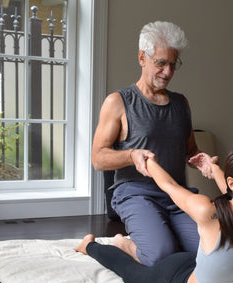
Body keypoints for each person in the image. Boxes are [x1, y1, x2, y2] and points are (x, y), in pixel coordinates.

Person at [76, 146, 233, 283]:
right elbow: (170, 186)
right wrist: (148, 162)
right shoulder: (209, 213)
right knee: (129, 271)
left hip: (193, 265)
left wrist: (213, 169)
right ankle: (91, 246)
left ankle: (125, 243)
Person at [91, 20, 216, 266]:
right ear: (142, 58)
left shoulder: (181, 103)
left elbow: (190, 151)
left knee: (208, 255)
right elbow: (98, 159)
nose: (168, 72)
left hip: (177, 195)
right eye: (160, 63)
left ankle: (167, 235)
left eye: (173, 64)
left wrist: (200, 161)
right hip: (136, 194)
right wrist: (130, 155)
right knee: (160, 256)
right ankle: (124, 243)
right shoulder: (118, 102)